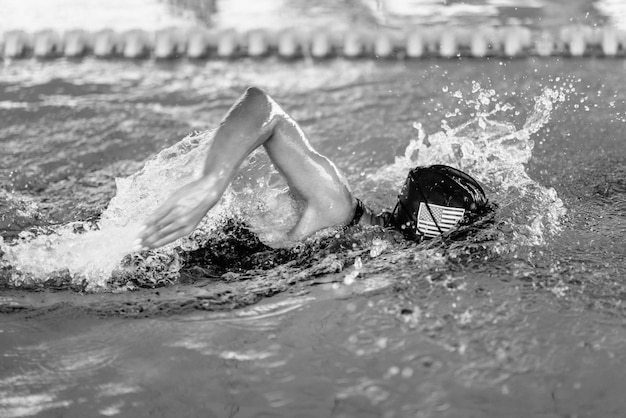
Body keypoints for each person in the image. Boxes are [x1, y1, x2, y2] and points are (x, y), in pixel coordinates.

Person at [138, 87, 488, 250]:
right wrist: (210, 183)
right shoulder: (336, 205)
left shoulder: (359, 235)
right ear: (428, 234)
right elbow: (264, 106)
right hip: (164, 247)